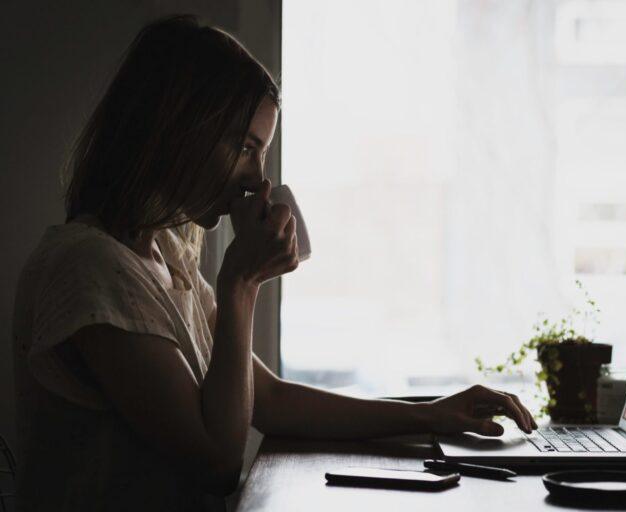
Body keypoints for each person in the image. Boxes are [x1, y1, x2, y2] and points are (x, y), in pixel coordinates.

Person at [11, 14, 536, 512]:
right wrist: (241, 281)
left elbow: (271, 399)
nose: (256, 179)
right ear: (177, 130)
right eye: (244, 146)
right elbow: (215, 462)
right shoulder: (91, 268)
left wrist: (434, 414)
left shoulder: (164, 258)